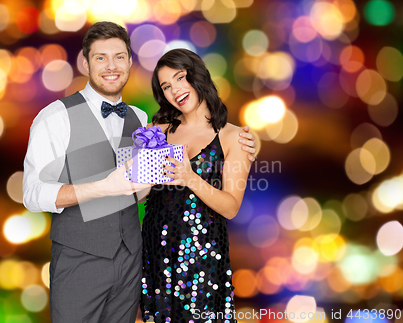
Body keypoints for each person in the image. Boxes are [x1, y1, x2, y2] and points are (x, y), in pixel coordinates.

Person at [23, 22, 256, 323]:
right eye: (100, 57)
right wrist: (107, 187)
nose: (111, 66)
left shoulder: (139, 120)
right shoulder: (59, 117)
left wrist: (246, 145)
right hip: (106, 259)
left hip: (161, 261)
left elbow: (147, 187)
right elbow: (32, 193)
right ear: (85, 62)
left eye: (119, 56)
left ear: (130, 62)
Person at [140, 49, 253, 323]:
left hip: (203, 260)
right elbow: (141, 194)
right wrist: (138, 164)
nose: (175, 90)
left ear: (197, 76)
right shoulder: (157, 131)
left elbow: (231, 207)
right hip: (157, 254)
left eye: (180, 78)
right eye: (166, 86)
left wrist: (190, 178)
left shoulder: (233, 137)